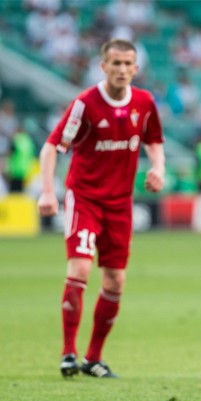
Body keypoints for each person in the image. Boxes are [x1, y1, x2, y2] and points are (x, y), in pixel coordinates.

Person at [38, 38, 166, 378]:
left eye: (128, 64)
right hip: (85, 198)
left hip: (121, 204)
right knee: (79, 271)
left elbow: (154, 140)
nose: (122, 69)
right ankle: (68, 353)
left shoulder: (145, 102)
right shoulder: (85, 104)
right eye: (116, 63)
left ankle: (94, 358)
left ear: (136, 68)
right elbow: (52, 147)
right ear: (103, 66)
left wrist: (158, 168)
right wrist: (47, 191)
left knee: (115, 281)